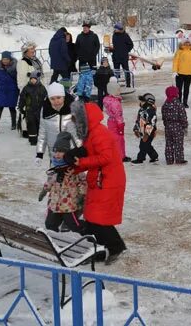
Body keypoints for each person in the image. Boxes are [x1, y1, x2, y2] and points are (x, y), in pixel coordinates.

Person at [63, 100, 127, 263]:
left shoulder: (99, 132)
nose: (74, 121)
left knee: (99, 218)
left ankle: (116, 247)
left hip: (109, 180)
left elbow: (105, 157)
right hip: (99, 179)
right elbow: (91, 154)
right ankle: (100, 249)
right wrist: (74, 167)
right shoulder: (90, 133)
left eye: (76, 118)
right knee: (92, 218)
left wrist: (81, 163)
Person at [40, 132, 86, 233]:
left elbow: (82, 182)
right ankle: (57, 242)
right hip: (55, 203)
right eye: (56, 151)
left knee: (75, 226)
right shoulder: (55, 167)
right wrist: (45, 189)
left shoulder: (74, 168)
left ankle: (92, 232)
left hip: (68, 205)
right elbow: (51, 181)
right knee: (50, 225)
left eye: (61, 152)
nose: (57, 154)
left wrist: (83, 194)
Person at [36, 82, 78, 165]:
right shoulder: (45, 111)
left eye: (59, 97)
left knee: (70, 175)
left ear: (64, 97)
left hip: (71, 152)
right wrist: (39, 154)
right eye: (52, 98)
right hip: (54, 153)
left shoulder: (73, 108)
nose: (56, 101)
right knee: (55, 176)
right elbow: (42, 133)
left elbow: (78, 132)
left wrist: (80, 150)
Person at [0, 51, 18, 133]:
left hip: (12, 90)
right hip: (1, 91)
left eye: (7, 59)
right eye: (3, 59)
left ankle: (13, 124)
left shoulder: (15, 67)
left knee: (12, 107)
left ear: (10, 59)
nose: (5, 61)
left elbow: (19, 79)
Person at [18, 70, 48, 145]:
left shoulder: (42, 88)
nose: (33, 80)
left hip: (39, 110)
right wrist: (21, 107)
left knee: (39, 124)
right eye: (31, 79)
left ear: (37, 79)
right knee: (31, 124)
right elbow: (22, 98)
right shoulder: (26, 88)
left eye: (34, 79)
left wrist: (47, 107)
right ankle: (32, 140)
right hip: (30, 110)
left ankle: (39, 138)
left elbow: (46, 99)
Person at [102, 81, 129, 162]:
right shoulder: (115, 103)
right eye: (118, 90)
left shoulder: (108, 100)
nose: (119, 91)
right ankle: (120, 156)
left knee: (116, 139)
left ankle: (120, 155)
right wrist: (120, 125)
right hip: (117, 123)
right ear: (113, 91)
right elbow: (118, 115)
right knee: (118, 140)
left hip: (111, 122)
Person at [161, 86, 188, 165]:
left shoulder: (165, 105)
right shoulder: (179, 104)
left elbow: (164, 117)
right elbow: (183, 116)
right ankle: (179, 159)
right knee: (178, 144)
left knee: (169, 143)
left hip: (168, 127)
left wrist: (166, 125)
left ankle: (169, 160)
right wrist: (185, 126)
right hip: (178, 127)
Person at [131, 92, 158, 164]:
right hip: (142, 131)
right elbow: (138, 120)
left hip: (149, 132)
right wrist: (136, 129)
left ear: (148, 102)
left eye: (142, 101)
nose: (140, 103)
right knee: (147, 145)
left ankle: (140, 158)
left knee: (143, 145)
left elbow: (151, 123)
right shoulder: (141, 110)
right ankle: (154, 156)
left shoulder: (150, 111)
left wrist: (146, 134)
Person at [171, 39, 191, 108]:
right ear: (183, 43)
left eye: (188, 42)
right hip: (180, 73)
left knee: (186, 88)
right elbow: (175, 61)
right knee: (179, 89)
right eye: (186, 42)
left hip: (189, 74)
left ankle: (185, 102)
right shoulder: (179, 51)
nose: (187, 44)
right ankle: (179, 102)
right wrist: (174, 71)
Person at [108, 23, 134, 88]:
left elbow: (131, 45)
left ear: (119, 29)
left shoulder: (125, 35)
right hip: (116, 57)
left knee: (126, 71)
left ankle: (128, 85)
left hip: (123, 57)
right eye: (115, 29)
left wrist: (125, 51)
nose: (115, 30)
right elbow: (115, 47)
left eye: (116, 29)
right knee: (116, 72)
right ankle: (117, 85)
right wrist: (111, 49)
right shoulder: (114, 35)